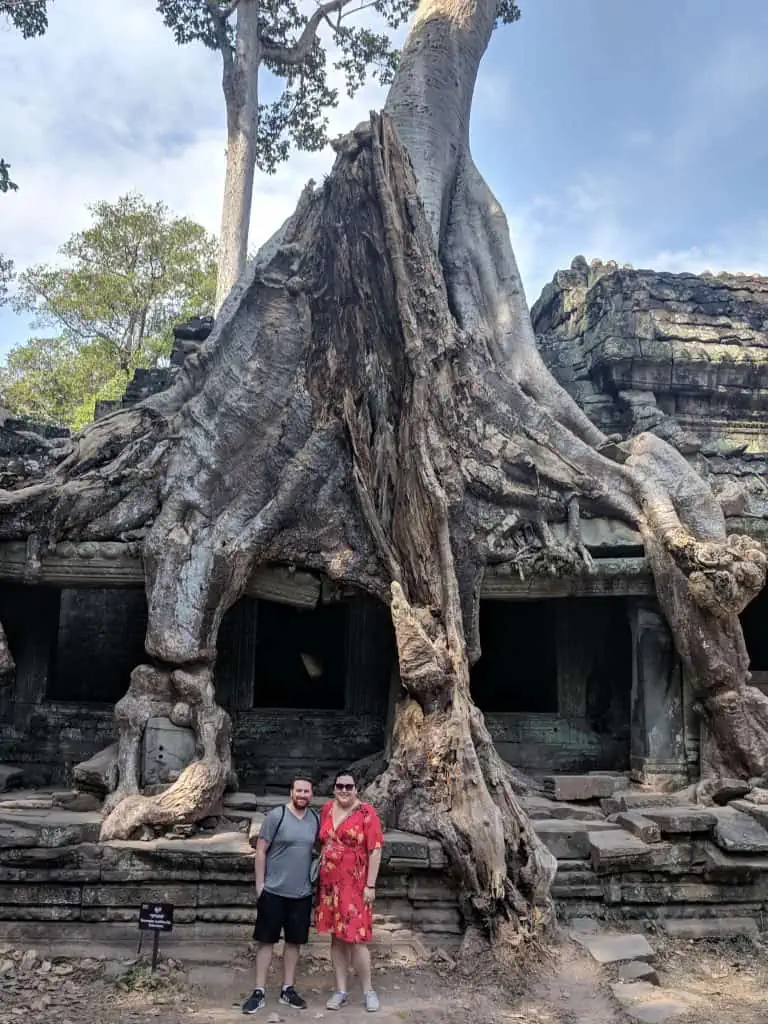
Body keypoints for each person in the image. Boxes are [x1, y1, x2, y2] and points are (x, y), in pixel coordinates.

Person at [242, 777, 319, 1014]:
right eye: (299, 790)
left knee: (294, 943)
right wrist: (260, 886)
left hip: (302, 893)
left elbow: (319, 850)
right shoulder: (277, 816)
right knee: (266, 942)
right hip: (274, 891)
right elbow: (261, 851)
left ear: (311, 794)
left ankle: (288, 988)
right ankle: (259, 990)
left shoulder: (315, 819)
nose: (302, 794)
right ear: (291, 792)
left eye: (306, 791)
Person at [315, 773, 384, 1013]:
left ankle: (368, 990)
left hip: (355, 886)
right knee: (336, 937)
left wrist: (371, 885)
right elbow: (322, 842)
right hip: (329, 885)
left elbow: (375, 850)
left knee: (356, 939)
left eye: (349, 786)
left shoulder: (366, 813)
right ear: (334, 788)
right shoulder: (326, 809)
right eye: (340, 786)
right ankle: (341, 990)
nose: (344, 790)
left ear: (356, 789)